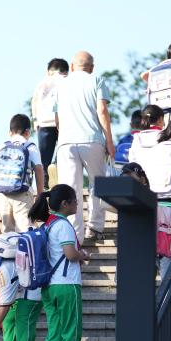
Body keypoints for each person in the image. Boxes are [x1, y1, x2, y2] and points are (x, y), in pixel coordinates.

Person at [28, 185, 88, 341]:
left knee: (54, 332)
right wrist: (83, 255)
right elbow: (70, 254)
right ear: (65, 204)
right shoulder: (63, 225)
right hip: (67, 284)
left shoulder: (48, 224)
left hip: (49, 286)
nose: (77, 204)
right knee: (70, 332)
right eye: (75, 200)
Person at [53, 51, 115, 241]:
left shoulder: (60, 85)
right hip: (92, 140)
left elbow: (57, 119)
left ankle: (74, 235)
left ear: (72, 66)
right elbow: (102, 110)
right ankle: (95, 227)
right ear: (92, 67)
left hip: (66, 143)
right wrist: (109, 140)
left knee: (71, 188)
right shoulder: (97, 80)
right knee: (98, 185)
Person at [0, 114, 45, 233]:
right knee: (25, 229)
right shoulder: (30, 147)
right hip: (22, 194)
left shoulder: (2, 147)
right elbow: (39, 169)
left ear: (10, 132)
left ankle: (8, 245)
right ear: (27, 132)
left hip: (3, 194)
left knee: (7, 230)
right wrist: (40, 195)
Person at [31, 58, 69, 185]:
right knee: (65, 153)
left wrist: (35, 121)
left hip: (44, 123)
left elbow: (34, 101)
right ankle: (57, 169)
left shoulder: (42, 83)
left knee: (44, 159)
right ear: (66, 71)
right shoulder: (67, 81)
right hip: (63, 122)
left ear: (49, 71)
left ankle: (45, 184)